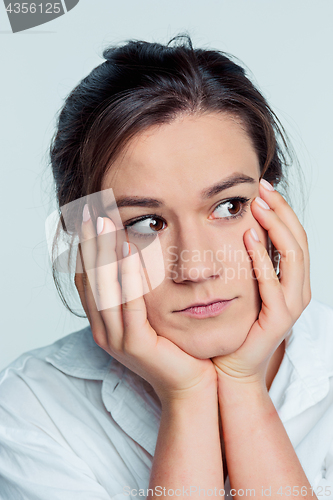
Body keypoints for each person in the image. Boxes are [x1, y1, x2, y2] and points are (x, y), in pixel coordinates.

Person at [0, 34, 333, 500]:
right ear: (89, 243)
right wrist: (188, 398)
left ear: (274, 204)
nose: (196, 269)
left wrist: (241, 387)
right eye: (147, 223)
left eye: (229, 206)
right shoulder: (32, 410)